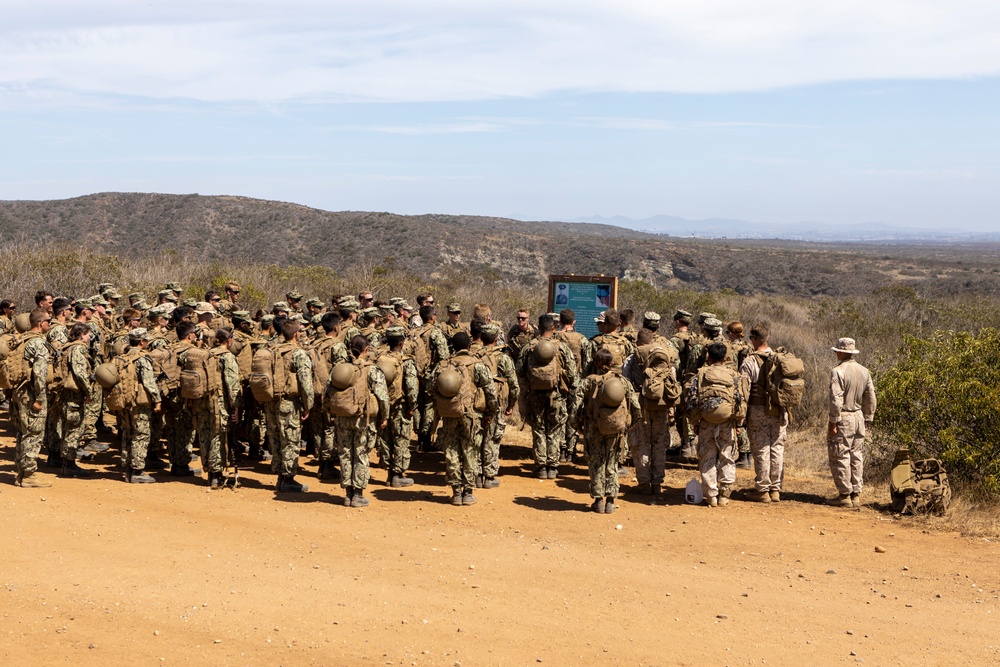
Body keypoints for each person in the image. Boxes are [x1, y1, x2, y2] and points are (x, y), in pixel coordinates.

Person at [433, 331, 498, 506]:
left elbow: (432, 387)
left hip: (450, 414)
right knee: (470, 451)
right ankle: (468, 492)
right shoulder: (478, 365)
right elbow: (491, 391)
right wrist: (491, 412)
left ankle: (455, 492)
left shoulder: (444, 365)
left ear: (452, 347)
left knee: (451, 451)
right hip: (472, 415)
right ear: (469, 346)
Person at [577, 349, 640, 513]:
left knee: (596, 463)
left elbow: (575, 406)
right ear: (612, 363)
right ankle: (611, 501)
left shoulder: (588, 382)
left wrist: (576, 425)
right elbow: (636, 407)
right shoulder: (623, 382)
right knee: (612, 463)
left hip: (593, 427)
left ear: (596, 363)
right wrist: (628, 425)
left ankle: (598, 501)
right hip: (616, 429)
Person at [686, 342, 748, 507]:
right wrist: (738, 423)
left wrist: (695, 422)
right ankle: (724, 495)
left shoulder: (701, 374)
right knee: (727, 457)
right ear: (726, 357)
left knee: (707, 458)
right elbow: (740, 401)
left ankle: (711, 495)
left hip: (706, 422)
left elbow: (692, 400)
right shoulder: (734, 375)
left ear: (709, 357)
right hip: (727, 422)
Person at [518, 314, 578, 479]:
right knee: (554, 429)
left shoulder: (529, 347)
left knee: (539, 429)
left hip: (535, 394)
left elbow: (520, 371)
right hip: (556, 395)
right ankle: (552, 466)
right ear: (554, 328)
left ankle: (541, 467)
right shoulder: (562, 347)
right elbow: (573, 374)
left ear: (538, 326)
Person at [331, 335, 389, 507]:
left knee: (346, 453)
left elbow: (329, 391)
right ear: (366, 350)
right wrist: (384, 416)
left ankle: (348, 493)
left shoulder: (340, 369)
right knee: (361, 454)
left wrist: (331, 412)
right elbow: (383, 396)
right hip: (363, 420)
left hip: (342, 418)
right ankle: (358, 494)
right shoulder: (372, 370)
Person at [827, 337, 877, 508]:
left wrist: (833, 421)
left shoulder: (838, 371)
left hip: (844, 416)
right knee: (856, 456)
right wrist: (868, 418)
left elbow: (836, 399)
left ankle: (844, 494)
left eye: (837, 351)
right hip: (859, 417)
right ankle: (856, 493)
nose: (836, 354)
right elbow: (871, 397)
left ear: (842, 351)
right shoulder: (864, 371)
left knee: (840, 455)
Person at [740, 324, 788, 502]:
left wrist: (741, 416)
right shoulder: (780, 358)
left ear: (755, 339)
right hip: (779, 409)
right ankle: (775, 489)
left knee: (761, 448)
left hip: (758, 410)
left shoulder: (749, 361)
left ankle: (762, 489)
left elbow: (743, 391)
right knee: (777, 448)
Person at [12, 309, 54, 488]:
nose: (49, 324)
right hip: (31, 395)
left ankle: (21, 472)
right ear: (40, 323)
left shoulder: (21, 339)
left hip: (18, 394)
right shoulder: (38, 343)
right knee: (34, 433)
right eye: (48, 321)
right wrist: (40, 398)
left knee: (23, 432)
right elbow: (39, 373)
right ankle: (29, 474)